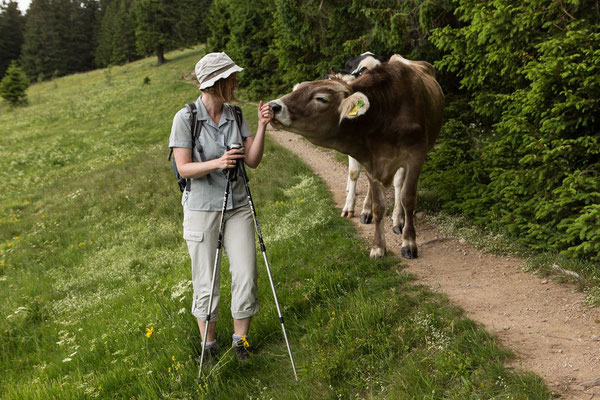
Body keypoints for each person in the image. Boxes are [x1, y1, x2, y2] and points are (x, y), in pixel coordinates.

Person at [168, 52, 273, 360]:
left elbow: (252, 161)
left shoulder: (237, 115)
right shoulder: (185, 118)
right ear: (216, 83)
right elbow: (183, 167)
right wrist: (218, 162)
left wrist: (263, 126)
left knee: (246, 273)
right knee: (206, 279)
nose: (236, 82)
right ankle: (209, 347)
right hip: (201, 209)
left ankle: (241, 343)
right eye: (231, 77)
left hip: (238, 205)